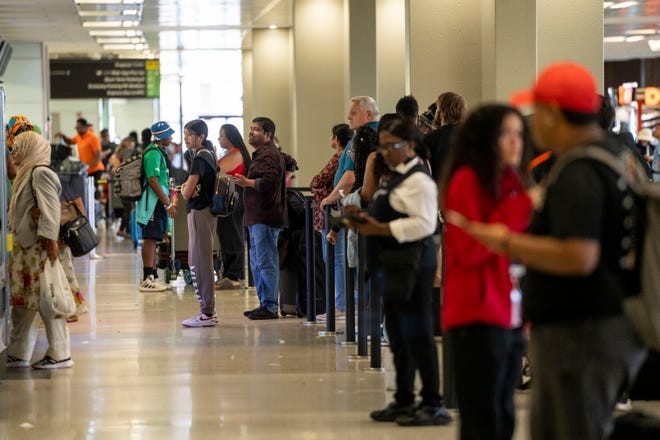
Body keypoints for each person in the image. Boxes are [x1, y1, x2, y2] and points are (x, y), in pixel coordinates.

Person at [448, 62, 647, 440]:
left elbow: (578, 255)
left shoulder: (580, 170)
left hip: (581, 335)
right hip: (606, 323)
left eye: (536, 113)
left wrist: (503, 240)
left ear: (554, 115)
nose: (530, 126)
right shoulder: (619, 157)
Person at [345, 119, 451, 427]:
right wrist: (362, 219)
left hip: (414, 266)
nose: (385, 152)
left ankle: (432, 402)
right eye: (382, 146)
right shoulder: (395, 177)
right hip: (391, 265)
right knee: (399, 334)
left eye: (392, 145)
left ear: (411, 145)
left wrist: (381, 228)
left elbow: (425, 224)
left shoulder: (420, 181)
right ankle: (404, 398)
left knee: (419, 335)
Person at [439, 104, 533, 439]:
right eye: (506, 134)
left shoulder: (513, 181)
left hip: (510, 311)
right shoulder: (467, 181)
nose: (515, 142)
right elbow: (471, 249)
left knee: (504, 412)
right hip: (476, 314)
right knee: (483, 416)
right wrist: (521, 208)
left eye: (519, 134)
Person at [6, 131, 73, 369]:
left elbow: (50, 210)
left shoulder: (40, 172)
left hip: (41, 249)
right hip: (27, 250)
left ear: (30, 149)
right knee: (23, 302)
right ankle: (18, 352)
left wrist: (50, 241)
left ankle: (60, 354)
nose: (13, 153)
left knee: (48, 300)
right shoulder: (26, 172)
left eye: (17, 148)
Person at [320, 96, 379, 320]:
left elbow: (350, 176)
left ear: (369, 115)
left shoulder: (362, 139)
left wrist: (330, 198)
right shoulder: (365, 137)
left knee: (354, 260)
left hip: (357, 205)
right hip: (359, 206)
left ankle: (356, 312)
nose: (348, 117)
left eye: (354, 113)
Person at [234, 117, 287, 320]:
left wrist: (246, 182)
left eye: (256, 130)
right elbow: (290, 162)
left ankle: (270, 306)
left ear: (268, 135)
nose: (251, 132)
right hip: (257, 216)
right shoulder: (266, 154)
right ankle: (265, 303)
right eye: (251, 128)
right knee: (258, 262)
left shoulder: (268, 154)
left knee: (266, 262)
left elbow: (270, 181)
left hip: (265, 216)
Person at [180, 119, 219, 327]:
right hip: (208, 212)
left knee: (200, 262)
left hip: (199, 213)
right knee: (203, 260)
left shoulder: (199, 159)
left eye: (189, 134)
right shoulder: (210, 155)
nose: (186, 138)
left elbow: (186, 193)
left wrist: (186, 186)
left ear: (200, 137)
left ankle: (207, 312)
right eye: (185, 134)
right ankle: (208, 309)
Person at [136, 121, 177, 292]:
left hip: (157, 201)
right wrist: (167, 204)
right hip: (152, 202)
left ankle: (153, 275)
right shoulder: (153, 153)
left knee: (155, 237)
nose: (171, 138)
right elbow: (153, 180)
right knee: (150, 238)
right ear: (161, 136)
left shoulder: (158, 152)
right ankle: (147, 278)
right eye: (169, 135)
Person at [214, 124, 251, 290]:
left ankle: (233, 276)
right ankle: (231, 273)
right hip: (228, 198)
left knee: (231, 235)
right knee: (227, 234)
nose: (219, 139)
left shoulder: (235, 153)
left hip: (232, 199)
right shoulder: (230, 153)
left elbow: (217, 171)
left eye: (221, 136)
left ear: (229, 137)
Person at [310, 123, 352, 232]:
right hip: (338, 203)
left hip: (334, 206)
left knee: (334, 246)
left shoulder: (339, 157)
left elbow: (316, 182)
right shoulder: (346, 155)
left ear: (336, 139)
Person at [423, 92, 466, 181]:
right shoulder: (471, 137)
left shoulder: (430, 139)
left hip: (439, 190)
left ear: (442, 112)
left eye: (437, 107)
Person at [56, 118, 105, 186]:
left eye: (78, 128)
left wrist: (87, 166)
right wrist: (63, 136)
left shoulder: (93, 138)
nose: (77, 129)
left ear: (85, 127)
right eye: (76, 128)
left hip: (96, 170)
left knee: (96, 188)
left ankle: (103, 185)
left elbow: (98, 156)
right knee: (87, 189)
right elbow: (70, 142)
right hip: (87, 171)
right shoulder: (78, 137)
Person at [109, 136, 138, 239]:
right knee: (128, 208)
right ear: (127, 143)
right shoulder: (127, 153)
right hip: (126, 185)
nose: (132, 145)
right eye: (131, 142)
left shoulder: (117, 153)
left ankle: (123, 230)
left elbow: (113, 168)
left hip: (119, 185)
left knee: (128, 208)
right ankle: (125, 231)